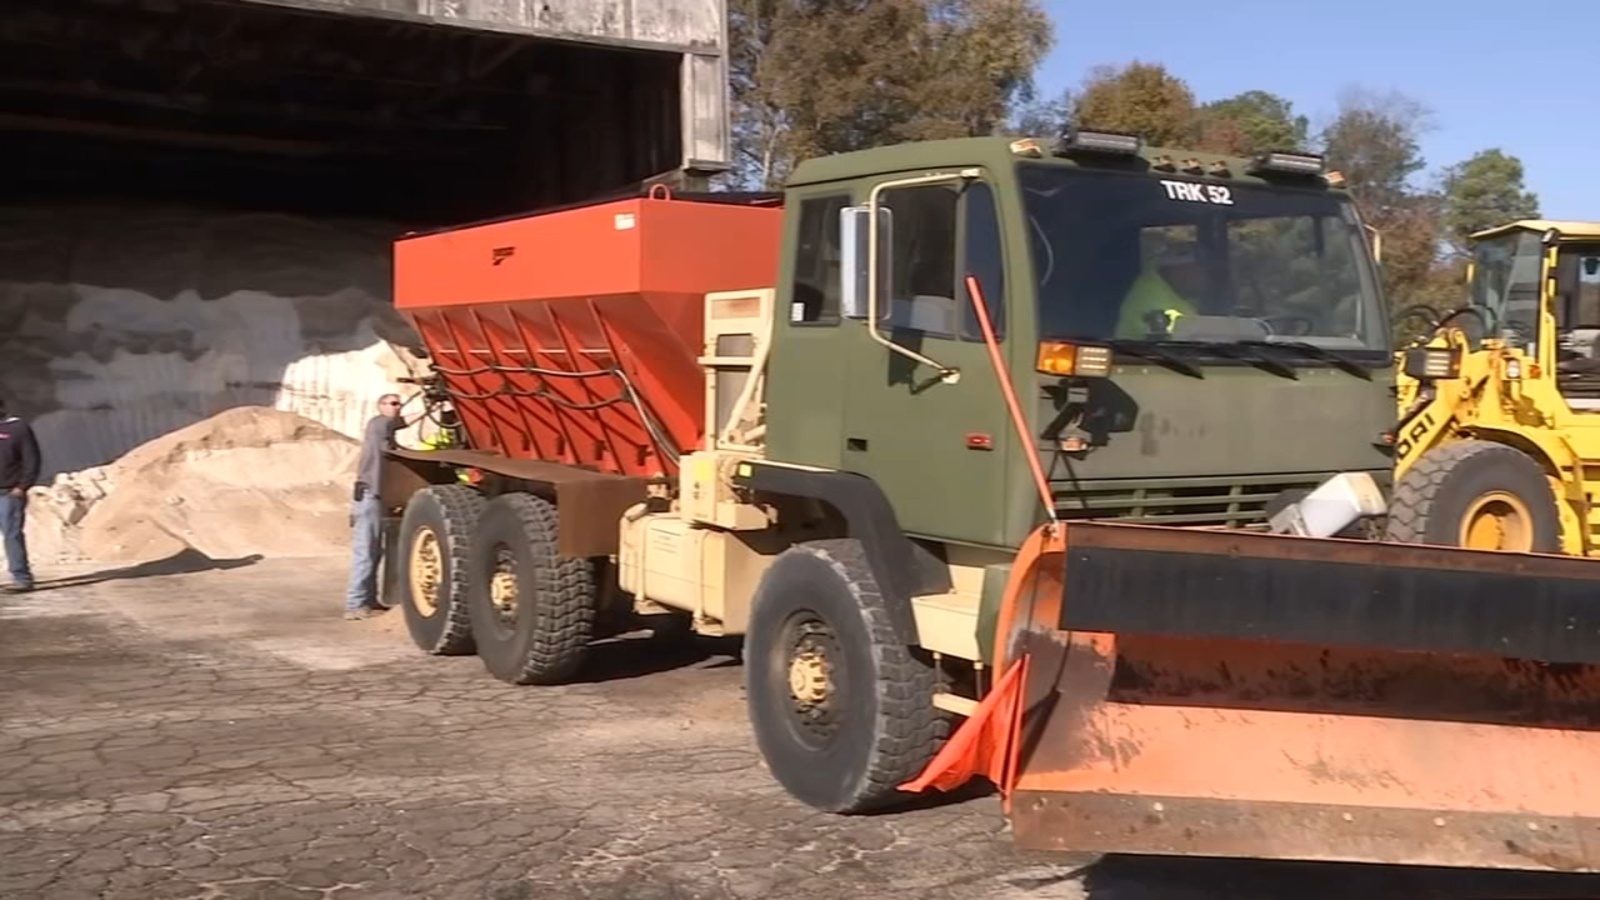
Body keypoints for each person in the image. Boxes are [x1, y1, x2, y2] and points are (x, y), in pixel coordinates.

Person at [345, 392, 410, 620]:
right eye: (392, 403)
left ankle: (368, 601)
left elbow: (399, 424)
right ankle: (355, 604)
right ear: (380, 406)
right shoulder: (379, 424)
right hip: (369, 495)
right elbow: (394, 427)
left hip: (377, 496)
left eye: (399, 403)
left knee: (375, 551)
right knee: (365, 551)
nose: (397, 407)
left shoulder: (386, 430)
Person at [0, 399, 40, 593]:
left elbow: (32, 459)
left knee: (12, 535)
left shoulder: (17, 428)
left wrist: (23, 486)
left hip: (8, 492)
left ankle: (21, 578)